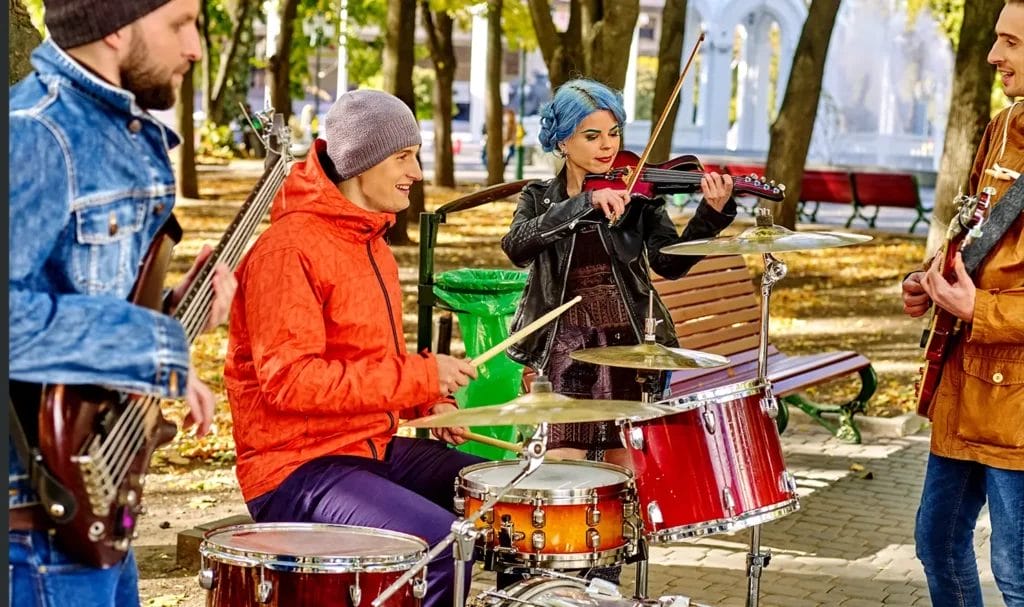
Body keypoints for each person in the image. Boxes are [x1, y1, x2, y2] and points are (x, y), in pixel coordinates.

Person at [8, 1, 236, 605]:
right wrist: (152, 345)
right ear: (114, 28)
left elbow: (78, 295)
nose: (196, 48)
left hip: (97, 505)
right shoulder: (39, 134)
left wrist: (177, 313)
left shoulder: (114, 131)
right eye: (180, 24)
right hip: (34, 533)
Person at [224, 89, 484, 607]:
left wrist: (426, 404)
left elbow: (364, 365)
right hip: (296, 468)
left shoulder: (373, 244)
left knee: (494, 496)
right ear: (361, 163)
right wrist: (421, 377)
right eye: (403, 157)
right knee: (439, 549)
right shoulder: (289, 249)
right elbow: (292, 383)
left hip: (369, 446)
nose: (416, 172)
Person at [499, 78, 736, 581]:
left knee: (616, 474)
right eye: (592, 136)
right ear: (562, 141)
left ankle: (603, 586)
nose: (608, 146)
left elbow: (668, 264)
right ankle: (556, 582)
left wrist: (709, 218)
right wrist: (586, 204)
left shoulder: (640, 197)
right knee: (561, 470)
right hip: (564, 348)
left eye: (614, 132)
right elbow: (517, 245)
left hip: (630, 347)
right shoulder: (538, 198)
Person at [901, 2, 1024, 605]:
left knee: (1017, 569)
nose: (993, 55)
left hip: (1019, 403)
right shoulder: (1003, 127)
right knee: (938, 542)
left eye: (1012, 44)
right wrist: (932, 278)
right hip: (965, 383)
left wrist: (982, 310)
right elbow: (974, 233)